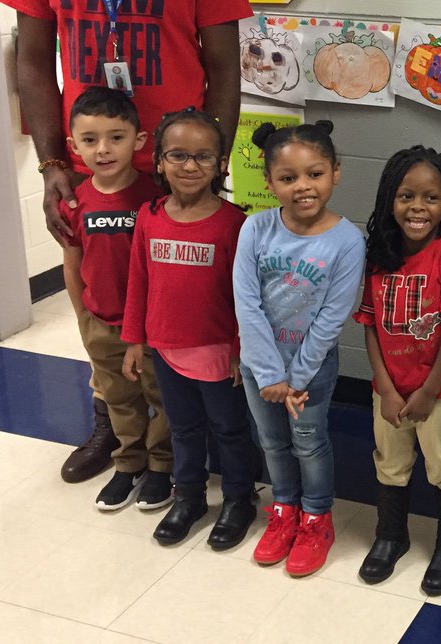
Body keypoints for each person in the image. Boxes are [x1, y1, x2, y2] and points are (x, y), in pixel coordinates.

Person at [0, 0, 251, 482]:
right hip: (96, 169)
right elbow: (31, 58)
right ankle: (113, 427)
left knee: (184, 313)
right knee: (100, 312)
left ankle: (182, 438)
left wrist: (213, 161)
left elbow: (224, 68)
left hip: (175, 177)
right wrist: (54, 163)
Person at [120, 107, 259, 550]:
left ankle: (239, 500)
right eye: (178, 155)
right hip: (166, 349)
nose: (190, 166)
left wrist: (241, 349)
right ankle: (190, 497)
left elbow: (246, 297)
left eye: (203, 156)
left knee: (230, 430)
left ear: (221, 164)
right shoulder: (149, 216)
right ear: (159, 161)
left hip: (219, 352)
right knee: (182, 428)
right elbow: (138, 281)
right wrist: (135, 340)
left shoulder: (236, 223)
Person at [233, 120, 365, 578]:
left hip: (312, 370)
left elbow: (332, 317)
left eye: (315, 174)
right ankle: (284, 510)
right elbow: (246, 303)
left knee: (308, 442)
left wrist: (297, 377)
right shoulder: (254, 228)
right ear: (270, 182)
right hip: (260, 369)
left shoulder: (347, 240)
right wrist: (270, 375)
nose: (303, 187)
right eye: (288, 178)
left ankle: (316, 519)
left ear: (336, 173)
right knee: (270, 441)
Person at [354, 146, 441, 596]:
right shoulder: (380, 254)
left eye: (431, 198)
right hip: (390, 391)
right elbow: (369, 325)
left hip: (437, 393)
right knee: (391, 465)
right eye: (407, 196)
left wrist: (428, 392)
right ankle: (390, 536)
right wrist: (386, 388)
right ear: (391, 198)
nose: (418, 208)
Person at [58, 87, 170, 513]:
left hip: (150, 326)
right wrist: (82, 316)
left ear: (139, 141)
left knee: (160, 398)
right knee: (119, 398)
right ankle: (128, 463)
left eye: (116, 137)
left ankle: (162, 466)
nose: (103, 149)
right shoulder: (74, 201)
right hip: (101, 322)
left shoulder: (153, 199)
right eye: (90, 140)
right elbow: (73, 261)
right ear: (74, 147)